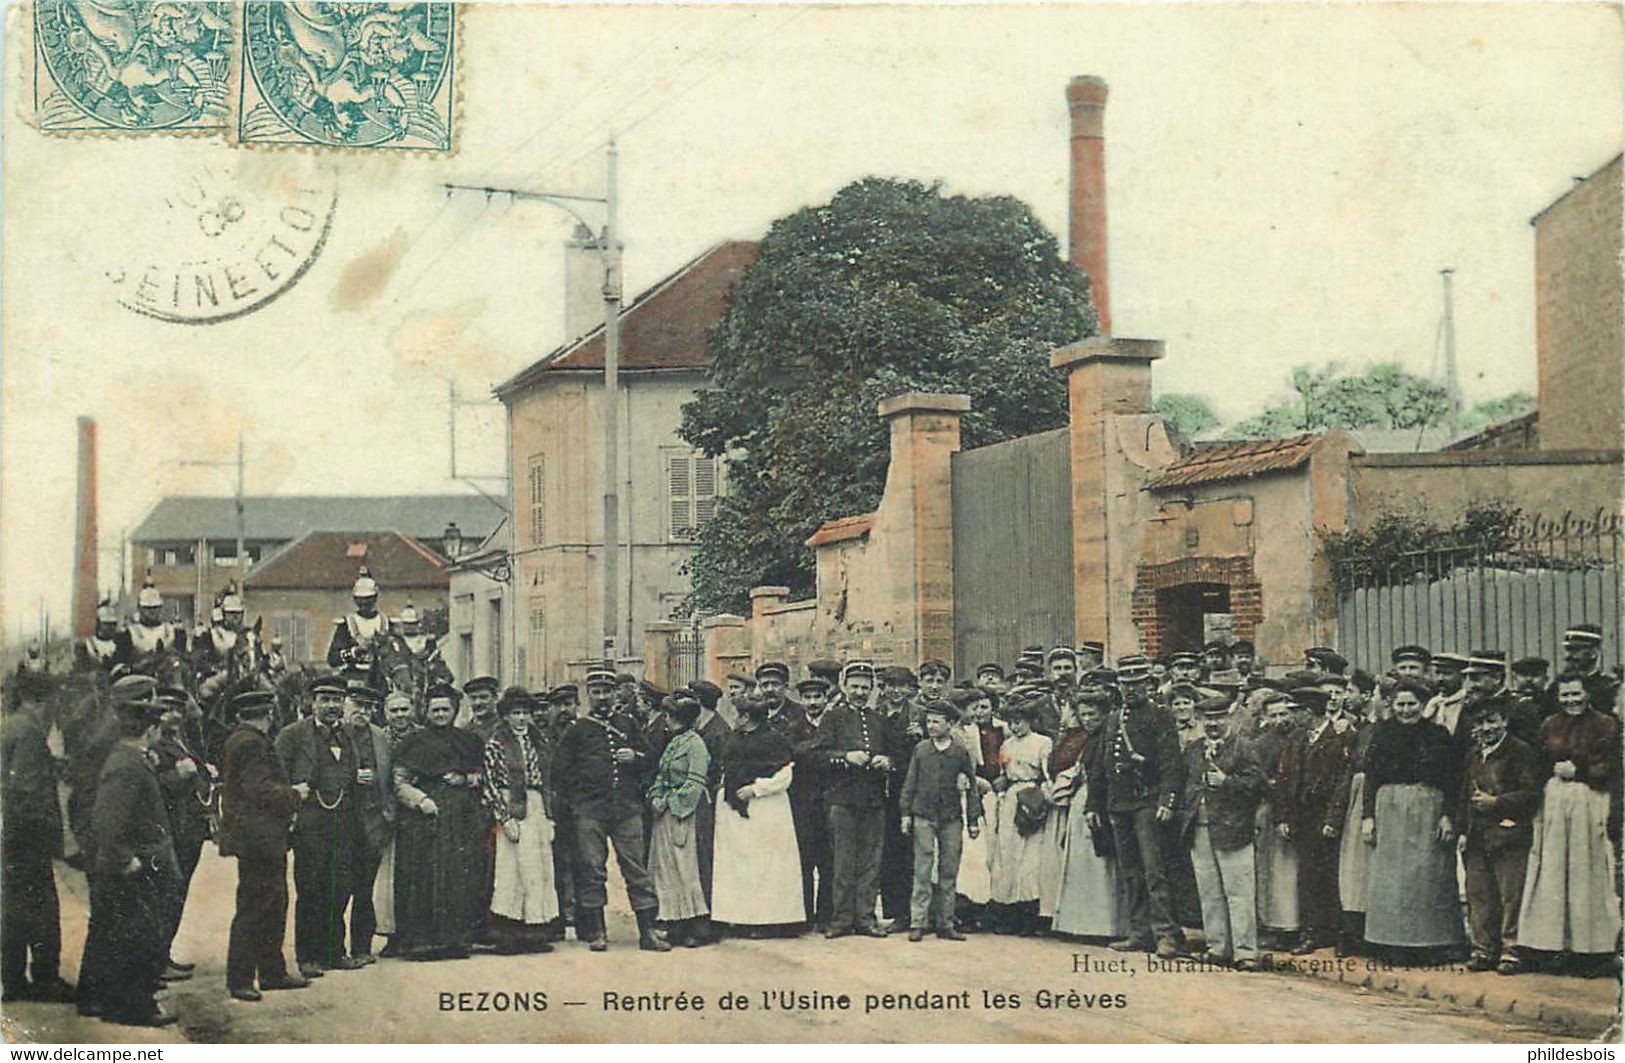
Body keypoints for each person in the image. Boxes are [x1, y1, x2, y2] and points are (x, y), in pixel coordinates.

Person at [79, 681, 178, 1027]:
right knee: (136, 935)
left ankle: (97, 998)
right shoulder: (126, 764)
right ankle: (134, 1007)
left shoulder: (129, 758)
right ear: (149, 728)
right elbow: (107, 822)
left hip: (123, 864)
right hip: (129, 867)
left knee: (113, 931)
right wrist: (126, 858)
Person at [554, 665, 667, 952]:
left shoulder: (628, 724)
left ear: (615, 692)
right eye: (596, 692)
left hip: (626, 809)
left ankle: (648, 932)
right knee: (592, 869)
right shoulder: (577, 730)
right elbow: (559, 772)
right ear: (588, 694)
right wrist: (577, 801)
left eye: (607, 691)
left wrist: (636, 757)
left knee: (636, 868)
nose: (602, 697)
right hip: (589, 811)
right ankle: (597, 933)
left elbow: (652, 760)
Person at [1515, 673, 1622, 976]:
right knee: (1553, 872)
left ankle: (1591, 950)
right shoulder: (1550, 724)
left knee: (1586, 871)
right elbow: (1539, 760)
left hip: (1589, 799)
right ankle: (1554, 945)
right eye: (1565, 696)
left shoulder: (1606, 724)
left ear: (1587, 694)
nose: (1571, 701)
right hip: (1555, 801)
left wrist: (1582, 770)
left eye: (1576, 694)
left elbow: (1611, 764)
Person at [1086, 655, 1184, 959]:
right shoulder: (1114, 718)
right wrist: (1093, 804)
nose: (1131, 689)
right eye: (1126, 684)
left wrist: (1168, 799)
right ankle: (1139, 932)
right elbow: (1101, 766)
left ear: (1147, 684)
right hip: (1119, 804)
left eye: (1137, 683)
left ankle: (1166, 934)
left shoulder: (1160, 715)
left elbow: (1172, 763)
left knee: (1155, 871)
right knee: (1130, 871)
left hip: (1147, 801)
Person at [1360, 676, 1464, 963]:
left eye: (1412, 704)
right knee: (1391, 880)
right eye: (1400, 704)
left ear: (1423, 705)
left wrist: (1447, 816)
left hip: (1427, 809)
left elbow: (1453, 780)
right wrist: (1368, 817)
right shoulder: (1382, 734)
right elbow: (1371, 779)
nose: (1406, 710)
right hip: (1389, 810)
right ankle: (1390, 943)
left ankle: (1432, 943)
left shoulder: (1438, 735)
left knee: (1428, 876)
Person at [275, 674, 372, 977]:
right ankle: (308, 957)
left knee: (340, 888)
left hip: (343, 823)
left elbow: (352, 773)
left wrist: (358, 780)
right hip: (310, 824)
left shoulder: (348, 735)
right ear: (312, 702)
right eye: (325, 699)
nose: (332, 706)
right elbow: (279, 778)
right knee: (311, 889)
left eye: (337, 700)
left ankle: (335, 952)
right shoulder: (292, 735)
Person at [218, 690, 308, 1002]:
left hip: (258, 837)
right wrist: (294, 794)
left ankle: (272, 972)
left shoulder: (240, 739)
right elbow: (259, 789)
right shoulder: (252, 743)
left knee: (271, 903)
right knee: (257, 907)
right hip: (259, 838)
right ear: (267, 714)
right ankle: (243, 978)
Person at [391, 681, 488, 959]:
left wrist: (466, 778)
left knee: (459, 876)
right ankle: (423, 942)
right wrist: (421, 801)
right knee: (424, 876)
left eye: (446, 709)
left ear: (454, 710)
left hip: (461, 819)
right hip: (424, 819)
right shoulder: (413, 742)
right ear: (426, 711)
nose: (441, 714)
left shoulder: (468, 740)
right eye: (435, 710)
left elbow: (483, 776)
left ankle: (456, 940)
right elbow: (399, 782)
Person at [1, 671, 74, 1004]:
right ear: (42, 700)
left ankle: (13, 980)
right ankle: (45, 979)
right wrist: (50, 840)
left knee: (14, 909)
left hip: (11, 838)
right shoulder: (29, 732)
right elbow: (26, 791)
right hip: (27, 839)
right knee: (43, 908)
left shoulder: (10, 725)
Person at [1180, 695, 1268, 970]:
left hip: (1233, 830)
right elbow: (1186, 783)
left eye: (1218, 718)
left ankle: (1245, 952)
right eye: (1208, 719)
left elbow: (1258, 783)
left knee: (1239, 892)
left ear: (1228, 719)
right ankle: (1217, 948)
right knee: (1210, 893)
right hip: (1201, 828)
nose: (1213, 724)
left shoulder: (1244, 747)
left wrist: (1227, 782)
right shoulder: (1194, 750)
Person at [1458, 700, 1541, 974]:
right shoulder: (1472, 755)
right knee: (1478, 894)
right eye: (1480, 723)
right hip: (1477, 836)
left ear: (1504, 721)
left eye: (1492, 721)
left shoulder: (1520, 752)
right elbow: (1463, 796)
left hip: (1509, 834)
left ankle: (1510, 950)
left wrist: (1498, 802)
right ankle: (1483, 949)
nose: (1486, 728)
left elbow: (1531, 795)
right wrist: (1462, 829)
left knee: (1510, 895)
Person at [815, 661, 895, 939]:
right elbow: (817, 755)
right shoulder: (832, 718)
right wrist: (846, 757)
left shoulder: (878, 720)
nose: (860, 692)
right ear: (845, 687)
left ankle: (866, 919)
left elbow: (894, 753)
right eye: (855, 686)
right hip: (842, 799)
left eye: (865, 687)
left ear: (872, 689)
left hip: (873, 800)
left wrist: (887, 761)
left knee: (871, 863)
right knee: (843, 863)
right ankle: (840, 920)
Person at [712, 694, 804, 934]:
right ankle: (740, 918)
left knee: (767, 865)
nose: (734, 718)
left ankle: (768, 921)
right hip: (735, 812)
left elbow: (785, 775)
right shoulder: (734, 739)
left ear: (746, 716)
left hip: (767, 811)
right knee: (739, 865)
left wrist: (756, 789)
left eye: (737, 714)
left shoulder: (774, 740)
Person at [482, 689, 557, 955]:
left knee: (537, 869)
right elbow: (489, 784)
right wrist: (504, 818)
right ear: (506, 715)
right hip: (512, 805)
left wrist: (549, 817)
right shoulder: (496, 743)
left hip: (535, 805)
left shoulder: (539, 741)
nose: (522, 719)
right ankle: (507, 933)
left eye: (526, 713)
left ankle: (534, 931)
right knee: (511, 869)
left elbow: (547, 781)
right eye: (516, 713)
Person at [899, 699, 981, 941]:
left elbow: (972, 785)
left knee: (949, 869)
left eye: (937, 721)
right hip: (923, 815)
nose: (931, 726)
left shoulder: (960, 752)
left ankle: (945, 923)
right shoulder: (921, 750)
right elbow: (910, 783)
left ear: (950, 724)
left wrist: (973, 819)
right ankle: (918, 922)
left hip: (951, 818)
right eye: (928, 721)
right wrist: (905, 814)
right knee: (922, 869)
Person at [1285, 685, 1356, 955]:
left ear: (1309, 712)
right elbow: (1287, 778)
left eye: (1297, 711)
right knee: (1307, 875)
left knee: (1330, 875)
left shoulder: (1339, 737)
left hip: (1325, 816)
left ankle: (1336, 933)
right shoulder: (1297, 738)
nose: (1293, 716)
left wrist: (1333, 819)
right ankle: (1311, 932)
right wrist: (1286, 816)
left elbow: (1342, 781)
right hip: (1302, 816)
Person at [149, 688, 211, 980]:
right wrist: (179, 775)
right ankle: (155, 961)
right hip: (172, 828)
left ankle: (163, 954)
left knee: (178, 893)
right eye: (166, 708)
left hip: (189, 829)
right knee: (166, 895)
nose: (174, 714)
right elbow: (150, 785)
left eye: (177, 707)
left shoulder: (179, 740)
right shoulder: (155, 745)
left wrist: (203, 770)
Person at [1053, 691, 1124, 941]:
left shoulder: (1110, 737)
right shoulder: (1088, 739)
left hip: (1101, 801)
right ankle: (1081, 924)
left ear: (1104, 714)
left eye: (1092, 714)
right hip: (1083, 799)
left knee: (1101, 863)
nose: (1087, 719)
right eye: (1083, 715)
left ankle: (1104, 926)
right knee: (1082, 863)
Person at [645, 693, 712, 947]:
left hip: (687, 813)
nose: (667, 719)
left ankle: (698, 926)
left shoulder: (695, 744)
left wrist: (670, 803)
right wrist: (656, 795)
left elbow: (696, 781)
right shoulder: (674, 743)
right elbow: (662, 774)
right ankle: (675, 922)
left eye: (671, 716)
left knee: (688, 867)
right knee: (667, 869)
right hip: (665, 814)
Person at [988, 693, 1052, 935]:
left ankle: (1031, 915)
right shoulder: (1007, 745)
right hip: (1011, 796)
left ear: (1031, 720)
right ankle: (1008, 912)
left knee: (1031, 857)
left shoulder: (1042, 743)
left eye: (1020, 721)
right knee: (1007, 854)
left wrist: (1040, 798)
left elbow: (1047, 775)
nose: (1015, 726)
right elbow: (1004, 771)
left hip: (1031, 795)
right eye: (1012, 721)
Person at [785, 675, 835, 929]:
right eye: (808, 697)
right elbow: (791, 752)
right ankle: (803, 917)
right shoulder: (793, 726)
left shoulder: (833, 723)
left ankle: (825, 917)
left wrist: (811, 751)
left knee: (828, 861)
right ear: (801, 700)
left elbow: (831, 756)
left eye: (818, 697)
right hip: (802, 802)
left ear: (826, 699)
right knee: (803, 860)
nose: (813, 702)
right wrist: (818, 747)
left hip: (829, 798)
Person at [876, 665, 921, 930]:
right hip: (882, 790)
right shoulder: (876, 714)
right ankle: (893, 911)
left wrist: (893, 763)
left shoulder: (918, 715)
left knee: (908, 852)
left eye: (901, 685)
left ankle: (910, 913)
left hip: (908, 787)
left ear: (909, 688)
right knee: (888, 852)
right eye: (890, 685)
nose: (895, 691)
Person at [373, 690, 417, 957]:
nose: (400, 715)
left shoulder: (421, 735)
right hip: (388, 814)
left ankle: (415, 933)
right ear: (386, 713)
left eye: (404, 709)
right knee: (388, 877)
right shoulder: (379, 739)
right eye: (394, 710)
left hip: (416, 814)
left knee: (416, 874)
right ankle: (392, 934)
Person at [686, 679, 731, 910]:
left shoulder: (718, 731)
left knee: (707, 856)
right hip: (699, 800)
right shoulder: (699, 727)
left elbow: (723, 769)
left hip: (710, 802)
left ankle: (711, 910)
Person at [326, 568, 389, 677]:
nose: (364, 602)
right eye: (360, 599)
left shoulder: (386, 623)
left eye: (368, 598)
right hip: (353, 675)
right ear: (355, 599)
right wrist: (354, 652)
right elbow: (333, 658)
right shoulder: (346, 625)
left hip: (382, 675)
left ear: (375, 598)